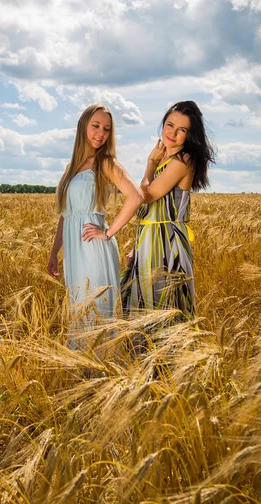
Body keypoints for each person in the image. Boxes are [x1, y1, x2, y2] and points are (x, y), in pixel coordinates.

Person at [47, 104, 143, 346]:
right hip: (73, 250)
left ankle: (103, 371)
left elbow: (136, 197)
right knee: (80, 311)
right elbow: (66, 215)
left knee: (96, 312)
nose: (101, 133)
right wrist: (53, 252)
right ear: (83, 127)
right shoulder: (71, 169)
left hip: (92, 247)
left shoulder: (106, 162)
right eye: (96, 126)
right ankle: (85, 372)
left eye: (107, 129)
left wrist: (108, 232)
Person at [121, 100, 215, 320]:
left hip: (167, 244)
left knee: (165, 306)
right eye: (170, 125)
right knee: (142, 303)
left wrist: (149, 166)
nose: (173, 133)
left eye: (182, 129)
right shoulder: (165, 156)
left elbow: (147, 196)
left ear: (189, 135)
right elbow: (151, 210)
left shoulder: (184, 160)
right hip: (149, 239)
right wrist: (136, 249)